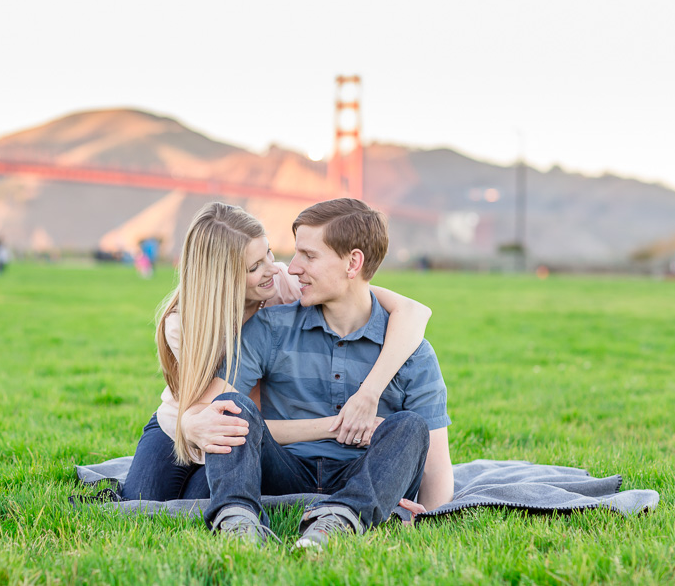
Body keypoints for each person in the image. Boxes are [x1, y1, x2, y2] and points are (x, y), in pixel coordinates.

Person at [122, 202, 434, 503]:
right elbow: (219, 409)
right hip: (188, 418)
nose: (274, 269)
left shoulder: (284, 283)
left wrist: (368, 395)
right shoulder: (184, 325)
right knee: (142, 501)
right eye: (255, 267)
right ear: (223, 277)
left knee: (199, 498)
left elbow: (411, 311)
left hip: (242, 433)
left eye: (269, 253)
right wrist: (190, 426)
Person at [193, 199, 453, 548]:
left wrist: (431, 517)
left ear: (353, 263)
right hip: (286, 471)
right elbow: (215, 413)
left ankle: (338, 521)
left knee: (409, 427)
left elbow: (434, 464)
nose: (292, 267)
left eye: (309, 256)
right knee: (230, 407)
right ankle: (237, 522)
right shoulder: (269, 328)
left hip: (364, 475)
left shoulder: (411, 352)